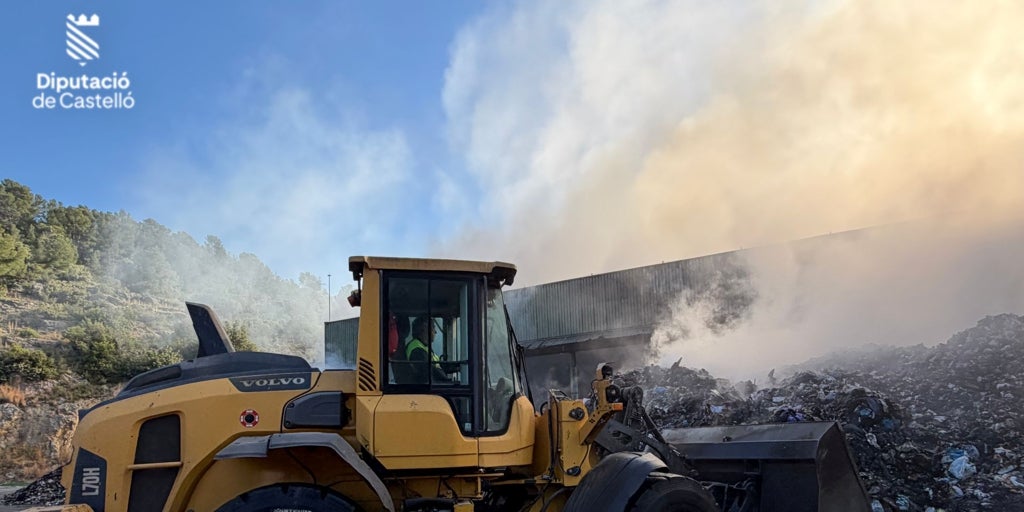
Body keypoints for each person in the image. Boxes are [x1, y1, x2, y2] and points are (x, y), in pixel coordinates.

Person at [406, 316, 453, 384]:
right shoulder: (416, 349)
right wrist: (447, 381)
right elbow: (429, 370)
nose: (436, 332)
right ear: (425, 328)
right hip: (429, 387)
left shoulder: (424, 346)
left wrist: (456, 367)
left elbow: (438, 366)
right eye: (433, 327)